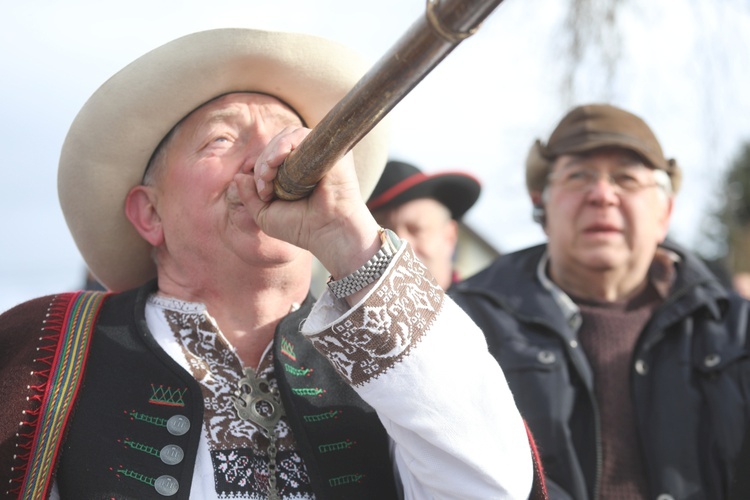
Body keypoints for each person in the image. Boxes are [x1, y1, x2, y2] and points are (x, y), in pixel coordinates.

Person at [0, 29, 545, 499]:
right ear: (149, 213)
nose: (271, 157)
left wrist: (349, 239)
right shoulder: (42, 345)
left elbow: (491, 486)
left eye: (288, 136)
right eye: (222, 138)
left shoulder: (390, 365)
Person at [450, 103, 750, 499]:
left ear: (665, 211)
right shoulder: (466, 323)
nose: (602, 195)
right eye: (578, 177)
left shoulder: (736, 331)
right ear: (541, 204)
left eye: (626, 179)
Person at [367, 160, 481, 290]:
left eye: (416, 230)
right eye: (383, 232)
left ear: (450, 235)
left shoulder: (481, 308)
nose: (399, 245)